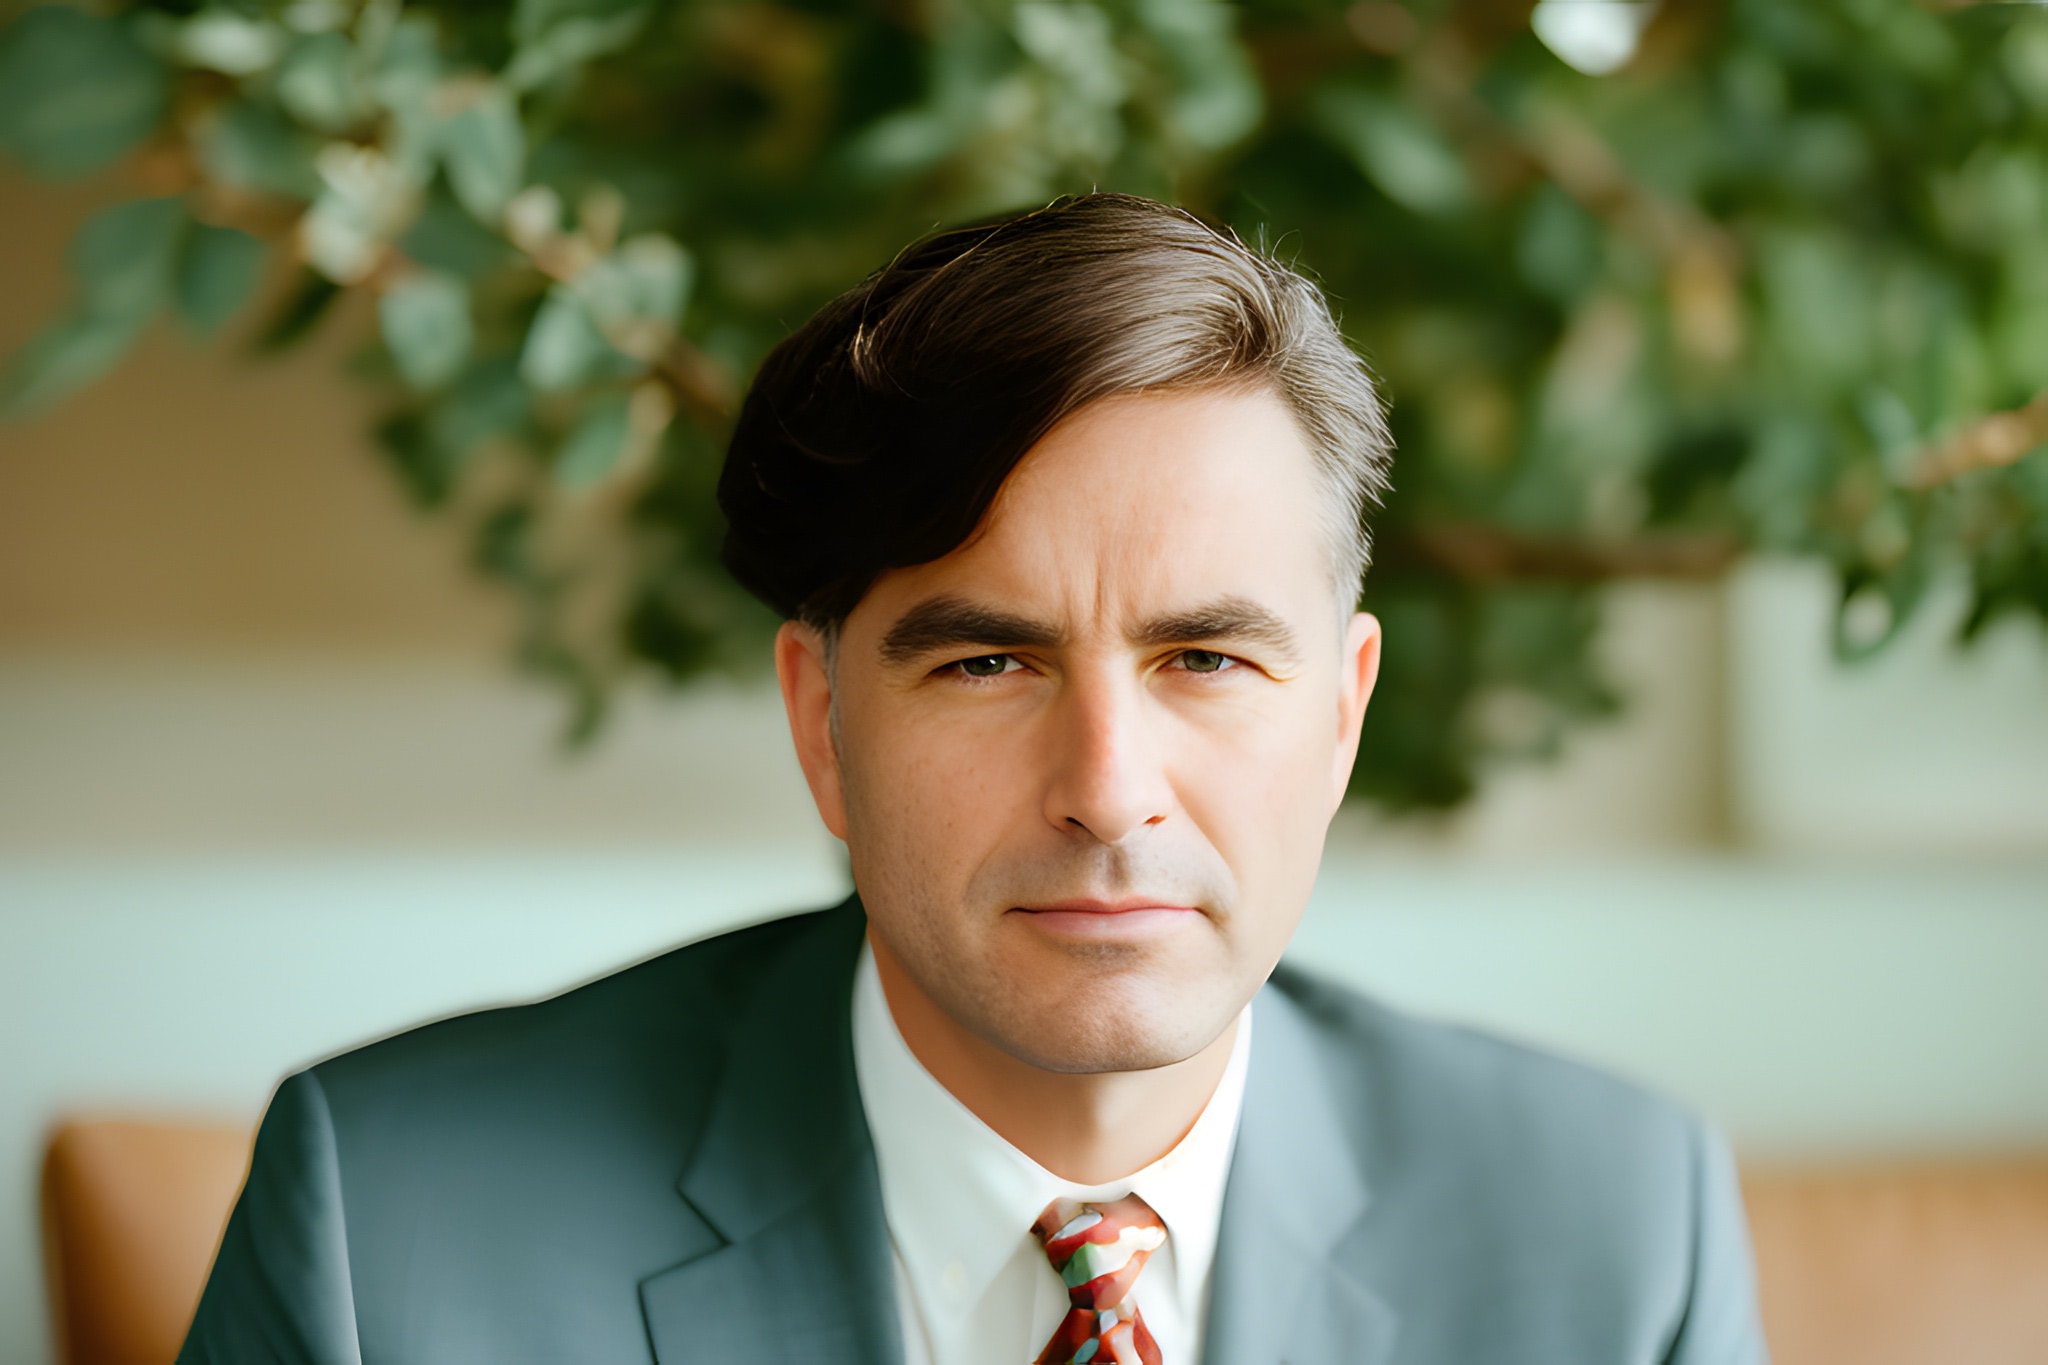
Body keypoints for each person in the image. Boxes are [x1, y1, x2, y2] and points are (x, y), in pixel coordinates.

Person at [179, 192, 1766, 1364]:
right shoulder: (388, 1231)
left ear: (1342, 715)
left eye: (1207, 658)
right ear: (823, 723)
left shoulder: (1619, 1232)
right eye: (987, 661)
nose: (1108, 789)